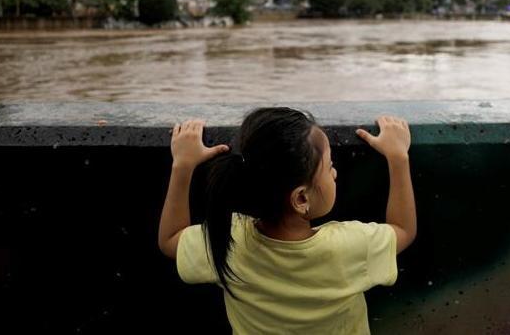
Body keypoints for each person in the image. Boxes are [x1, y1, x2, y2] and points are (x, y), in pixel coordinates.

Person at [158, 107, 416, 334]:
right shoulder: (350, 246)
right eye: (329, 167)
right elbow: (403, 230)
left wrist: (182, 165)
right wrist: (398, 158)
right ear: (301, 198)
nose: (334, 173)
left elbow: (170, 240)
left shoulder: (227, 240)